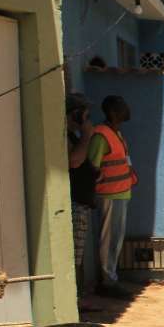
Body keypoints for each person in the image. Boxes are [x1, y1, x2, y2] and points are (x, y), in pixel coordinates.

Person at [88, 95, 137, 296]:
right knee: (109, 239)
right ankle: (109, 281)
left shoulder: (115, 133)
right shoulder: (102, 135)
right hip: (110, 194)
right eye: (123, 106)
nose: (127, 109)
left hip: (121, 193)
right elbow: (92, 166)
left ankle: (111, 277)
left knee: (115, 238)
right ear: (114, 112)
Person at [65, 92, 96, 295]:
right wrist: (87, 135)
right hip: (74, 204)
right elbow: (74, 161)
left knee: (77, 254)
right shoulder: (66, 136)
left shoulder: (72, 135)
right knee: (73, 257)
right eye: (85, 115)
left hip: (81, 204)